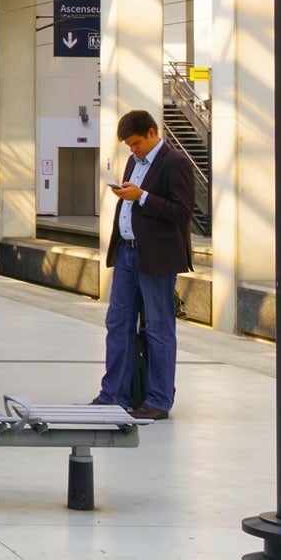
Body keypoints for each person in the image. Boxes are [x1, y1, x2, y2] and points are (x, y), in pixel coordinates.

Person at [98, 109, 199, 421]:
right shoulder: (134, 162)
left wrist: (141, 196)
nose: (133, 149)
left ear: (153, 133)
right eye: (129, 145)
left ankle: (158, 399)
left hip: (156, 257)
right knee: (117, 323)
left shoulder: (175, 163)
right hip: (127, 254)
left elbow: (183, 212)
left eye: (137, 143)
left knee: (158, 327)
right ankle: (113, 394)